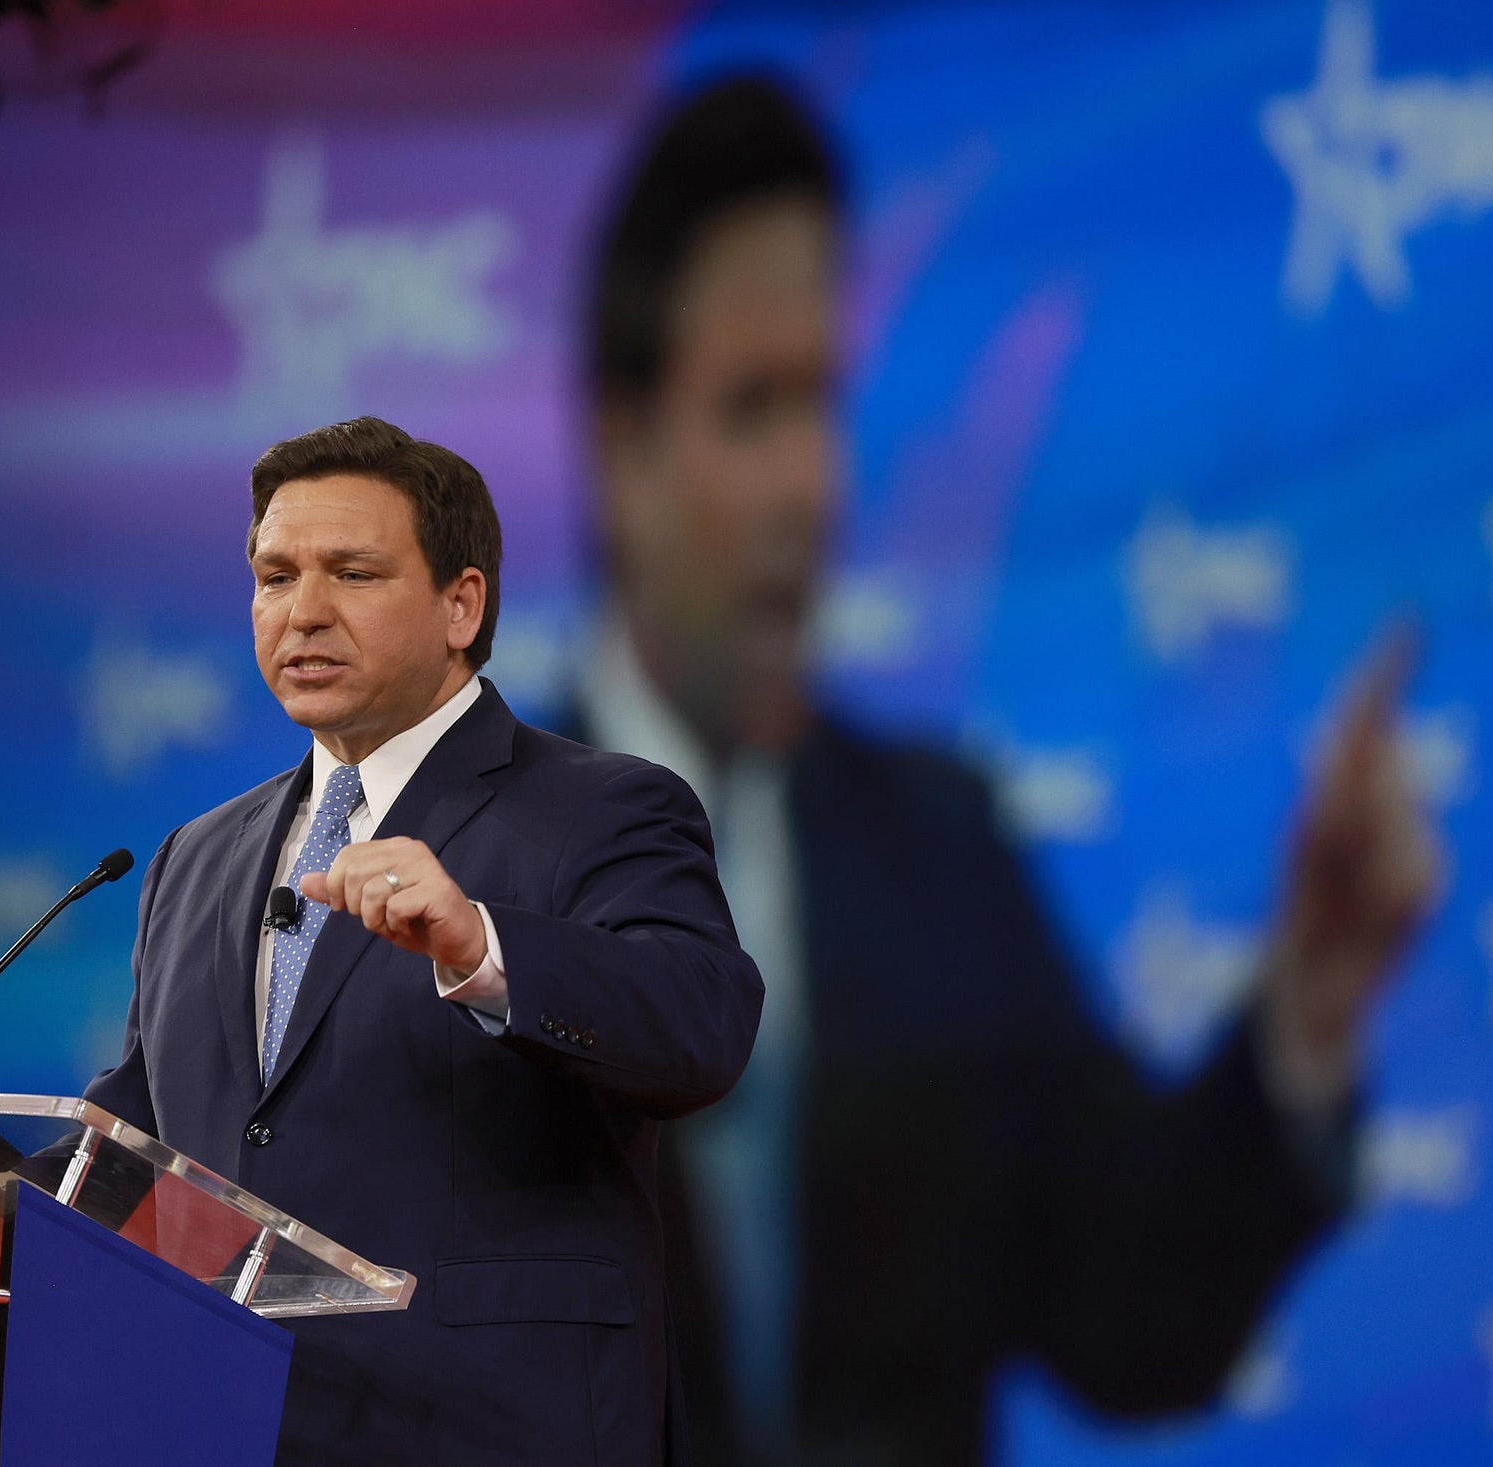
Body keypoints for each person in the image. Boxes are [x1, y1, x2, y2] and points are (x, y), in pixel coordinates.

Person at [568, 77, 1438, 1465]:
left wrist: (1309, 1004)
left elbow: (1134, 1314)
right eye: (751, 410)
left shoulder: (943, 847)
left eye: (822, 404)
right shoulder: (441, 859)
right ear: (624, 452)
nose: (813, 484)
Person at [83, 416, 765, 1465]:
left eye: (351, 574)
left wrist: (482, 945)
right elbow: (144, 1136)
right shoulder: (197, 855)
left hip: (490, 1428)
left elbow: (701, 1023)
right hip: (231, 1423)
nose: (301, 612)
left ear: (461, 603)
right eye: (274, 576)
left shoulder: (603, 807)